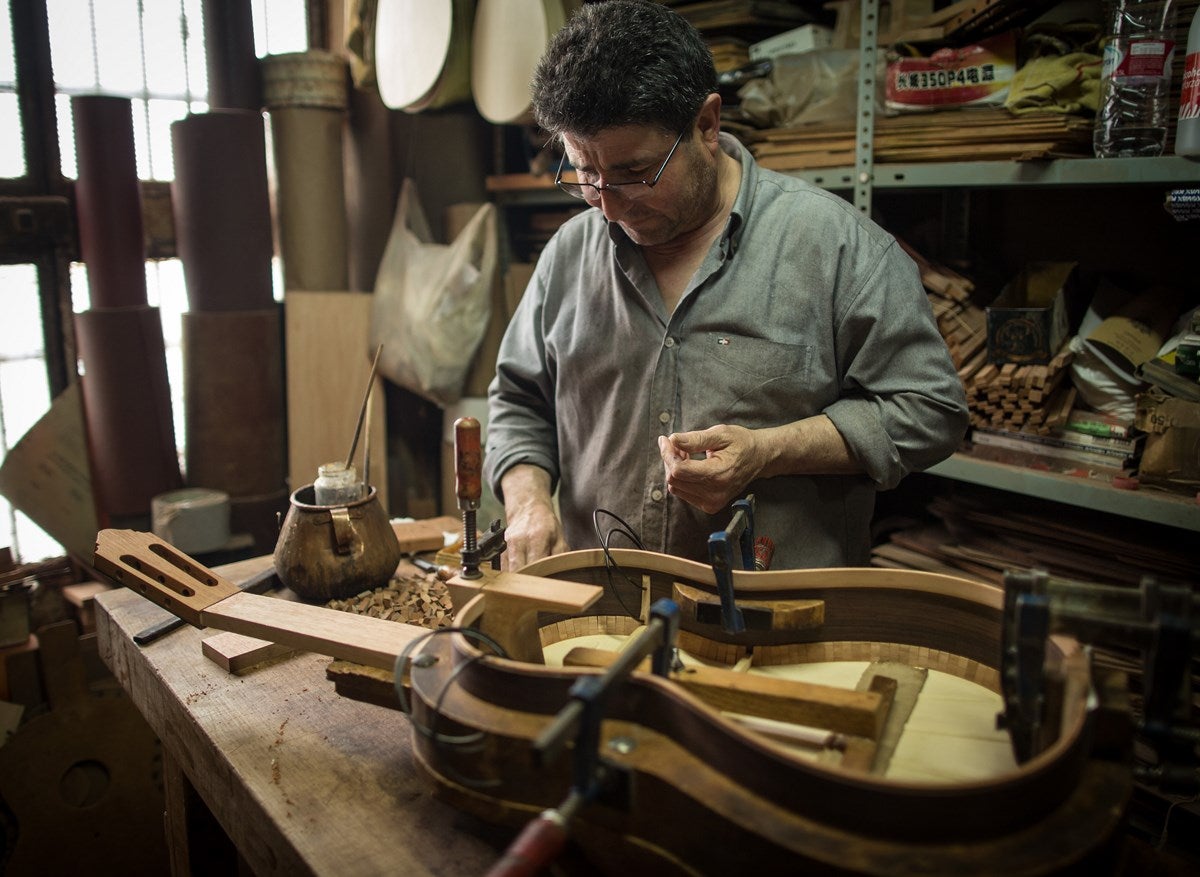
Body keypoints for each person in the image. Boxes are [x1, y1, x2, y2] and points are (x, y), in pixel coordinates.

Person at [484, 0, 968, 571]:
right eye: (586, 173)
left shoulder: (836, 247)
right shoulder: (568, 254)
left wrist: (769, 452)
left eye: (635, 173)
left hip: (777, 612)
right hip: (603, 604)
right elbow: (519, 402)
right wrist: (529, 501)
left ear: (707, 125)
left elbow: (929, 410)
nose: (608, 208)